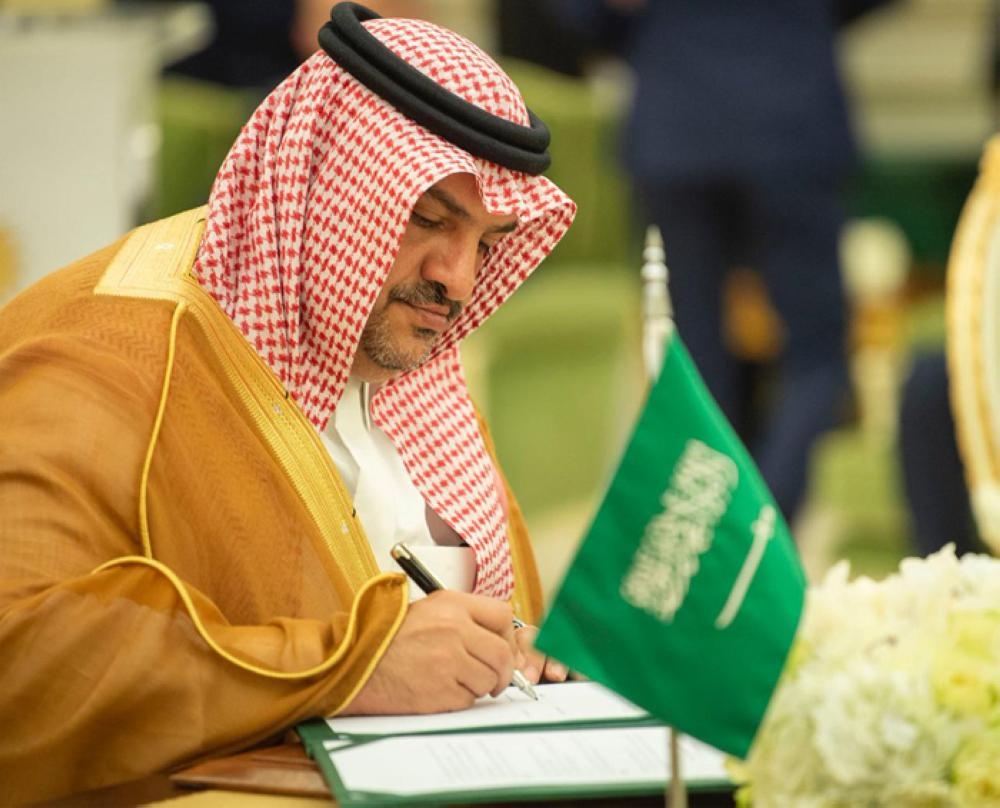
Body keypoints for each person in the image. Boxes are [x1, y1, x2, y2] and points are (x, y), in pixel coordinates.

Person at [0, 4, 575, 802]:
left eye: (488, 241)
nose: (459, 278)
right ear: (320, 184)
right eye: (425, 217)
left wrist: (510, 653)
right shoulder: (107, 349)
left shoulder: (403, 357)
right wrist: (348, 665)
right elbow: (21, 658)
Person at [554, 0, 891, 522]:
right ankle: (765, 525)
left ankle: (718, 535)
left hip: (677, 118)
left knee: (694, 356)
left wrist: (645, 31)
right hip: (790, 113)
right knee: (818, 354)